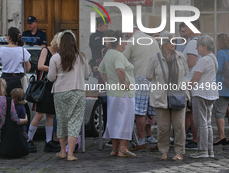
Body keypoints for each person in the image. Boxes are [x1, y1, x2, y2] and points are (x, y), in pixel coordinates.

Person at [146, 31, 189, 161]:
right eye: (171, 41)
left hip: (178, 95)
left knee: (179, 126)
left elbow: (186, 72)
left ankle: (179, 152)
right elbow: (149, 76)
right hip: (161, 96)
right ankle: (163, 151)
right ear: (164, 43)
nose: (174, 44)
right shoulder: (155, 58)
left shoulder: (180, 56)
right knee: (163, 128)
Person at [47, 30, 89, 161]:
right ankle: (70, 153)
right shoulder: (81, 57)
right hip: (78, 91)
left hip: (60, 91)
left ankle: (62, 151)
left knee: (62, 121)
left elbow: (50, 77)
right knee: (75, 122)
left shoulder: (55, 58)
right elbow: (87, 75)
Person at [98, 30, 136, 158]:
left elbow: (101, 70)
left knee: (114, 121)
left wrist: (108, 81)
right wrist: (123, 82)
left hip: (112, 93)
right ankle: (123, 148)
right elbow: (119, 69)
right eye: (125, 41)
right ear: (119, 42)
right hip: (123, 94)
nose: (126, 44)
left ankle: (114, 148)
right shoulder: (119, 55)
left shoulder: (108, 54)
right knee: (125, 120)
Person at [123, 26, 160, 151]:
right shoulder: (152, 40)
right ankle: (155, 138)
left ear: (130, 30)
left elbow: (123, 59)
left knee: (140, 111)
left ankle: (141, 141)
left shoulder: (132, 41)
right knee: (153, 110)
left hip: (140, 77)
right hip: (155, 78)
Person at [27, 32, 62, 153]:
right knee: (39, 114)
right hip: (43, 86)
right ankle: (29, 139)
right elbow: (40, 66)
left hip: (53, 87)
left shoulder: (59, 54)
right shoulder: (45, 50)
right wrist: (53, 68)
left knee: (51, 115)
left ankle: (48, 141)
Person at [189, 35, 219, 158]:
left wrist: (186, 87)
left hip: (201, 93)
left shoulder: (203, 60)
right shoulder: (213, 58)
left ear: (205, 46)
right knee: (207, 123)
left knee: (200, 123)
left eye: (199, 46)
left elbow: (195, 79)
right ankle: (209, 150)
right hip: (211, 93)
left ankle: (202, 150)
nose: (197, 48)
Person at [0, 27, 31, 96]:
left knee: (5, 101)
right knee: (18, 101)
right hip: (18, 79)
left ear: (9, 37)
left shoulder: (2, 50)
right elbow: (27, 68)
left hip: (4, 79)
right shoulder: (23, 51)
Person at [183, 20, 201, 150]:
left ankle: (195, 140)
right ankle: (187, 138)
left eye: (186, 26)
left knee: (192, 112)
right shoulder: (197, 42)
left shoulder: (192, 44)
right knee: (189, 113)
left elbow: (191, 63)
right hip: (193, 82)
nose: (183, 28)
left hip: (190, 82)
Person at [214, 33, 229, 145]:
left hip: (222, 86)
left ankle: (221, 136)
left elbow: (218, 68)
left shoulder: (221, 53)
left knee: (220, 112)